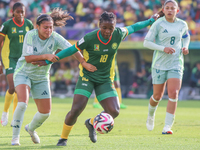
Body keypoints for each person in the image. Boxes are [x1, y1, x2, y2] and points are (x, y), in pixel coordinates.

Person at [36, 11, 159, 146]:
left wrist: (150, 21)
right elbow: (72, 49)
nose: (107, 31)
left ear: (115, 27)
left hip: (105, 79)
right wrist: (51, 60)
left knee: (114, 111)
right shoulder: (90, 38)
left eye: (110, 28)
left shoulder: (119, 34)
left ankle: (91, 122)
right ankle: (63, 138)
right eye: (104, 27)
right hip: (87, 77)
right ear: (99, 25)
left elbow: (134, 27)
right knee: (76, 109)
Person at [11, 8, 97, 146]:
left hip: (42, 77)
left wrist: (83, 62)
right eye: (45, 27)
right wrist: (46, 56)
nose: (49, 30)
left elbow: (72, 49)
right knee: (22, 104)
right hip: (23, 73)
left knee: (45, 113)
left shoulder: (55, 37)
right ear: (37, 26)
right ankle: (15, 138)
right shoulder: (30, 35)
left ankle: (31, 129)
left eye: (51, 27)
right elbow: (28, 58)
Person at [143, 0, 190, 134]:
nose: (169, 10)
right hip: (159, 64)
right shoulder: (158, 24)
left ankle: (167, 126)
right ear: (163, 10)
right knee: (157, 96)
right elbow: (146, 43)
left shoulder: (182, 24)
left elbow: (186, 37)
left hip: (176, 63)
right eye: (167, 8)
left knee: (174, 93)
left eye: (172, 8)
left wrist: (185, 46)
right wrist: (163, 48)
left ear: (177, 10)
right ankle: (151, 116)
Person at [0, 2, 34, 127]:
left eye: (22, 12)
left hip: (23, 59)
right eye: (18, 11)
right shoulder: (7, 25)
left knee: (19, 90)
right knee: (12, 86)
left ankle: (15, 117)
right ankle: (5, 112)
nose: (20, 14)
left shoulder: (29, 24)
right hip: (9, 58)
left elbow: (33, 41)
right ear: (12, 12)